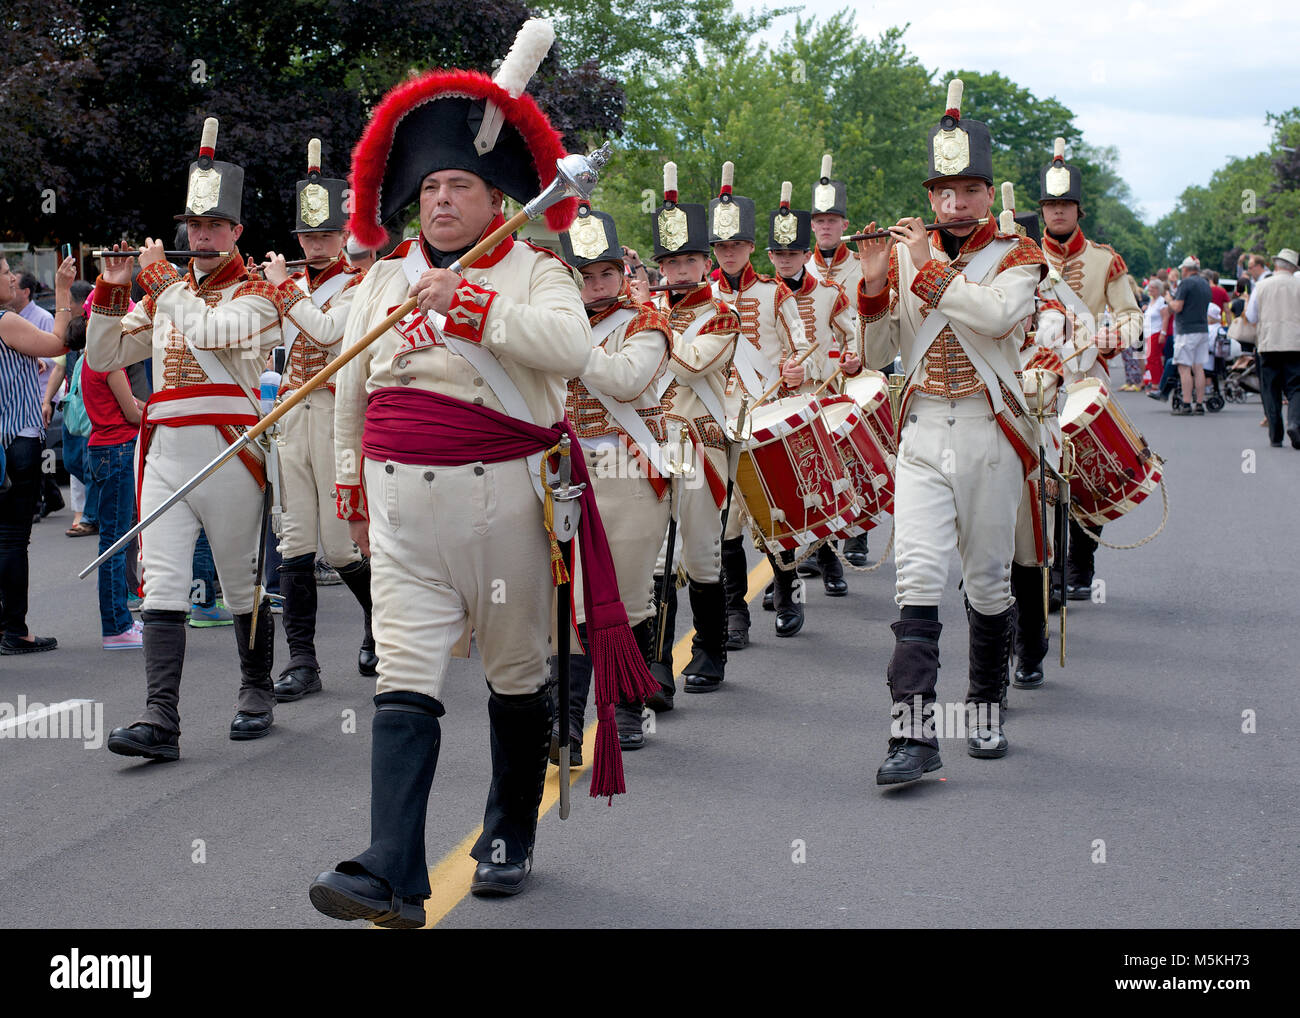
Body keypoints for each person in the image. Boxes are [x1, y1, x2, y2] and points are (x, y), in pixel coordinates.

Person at [311, 19, 651, 921]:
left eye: (459, 186)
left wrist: (469, 304)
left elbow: (571, 347)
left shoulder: (536, 271)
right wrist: (347, 483)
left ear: (499, 200)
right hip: (396, 506)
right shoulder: (383, 281)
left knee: (514, 673)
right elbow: (352, 388)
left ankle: (509, 827)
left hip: (504, 506)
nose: (440, 202)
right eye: (429, 189)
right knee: (405, 676)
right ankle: (391, 867)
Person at [856, 80, 1047, 781]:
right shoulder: (906, 255)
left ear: (988, 194)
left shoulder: (1021, 255)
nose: (956, 203)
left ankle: (987, 708)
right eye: (944, 190)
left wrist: (926, 271)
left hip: (990, 431)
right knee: (917, 573)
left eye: (969, 190)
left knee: (990, 582)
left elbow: (996, 318)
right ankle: (912, 735)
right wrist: (875, 282)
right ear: (930, 195)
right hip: (923, 430)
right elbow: (878, 358)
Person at [89, 118, 283, 759]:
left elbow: (212, 333)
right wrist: (112, 293)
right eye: (194, 228)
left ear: (235, 233)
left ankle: (256, 689)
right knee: (164, 579)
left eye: (213, 227)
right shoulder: (168, 293)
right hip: (167, 446)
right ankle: (160, 718)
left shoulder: (256, 293)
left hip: (229, 445)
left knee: (237, 581)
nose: (200, 237)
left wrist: (160, 283)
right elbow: (102, 355)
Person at [553, 200, 672, 753]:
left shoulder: (648, 321)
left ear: (623, 272)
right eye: (585, 275)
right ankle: (570, 720)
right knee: (574, 599)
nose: (597, 285)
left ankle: (627, 703)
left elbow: (626, 380)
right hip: (568, 470)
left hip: (629, 467)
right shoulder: (556, 323)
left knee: (626, 596)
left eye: (606, 273)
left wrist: (569, 347)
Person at [261, 139, 375, 703]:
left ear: (343, 238)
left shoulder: (358, 286)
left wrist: (281, 288)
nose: (315, 244)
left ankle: (380, 622)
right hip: (290, 416)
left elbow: (329, 334)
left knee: (339, 546)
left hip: (335, 414)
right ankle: (302, 662)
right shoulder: (293, 286)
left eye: (326, 235)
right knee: (294, 542)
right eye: (308, 236)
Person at [646, 163, 741, 699]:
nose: (679, 271)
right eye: (670, 262)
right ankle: (657, 667)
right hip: (648, 447)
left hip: (701, 446)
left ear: (705, 263)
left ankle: (710, 645)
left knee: (700, 555)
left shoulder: (722, 315)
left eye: (688, 261)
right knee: (655, 557)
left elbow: (687, 366)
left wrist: (648, 323)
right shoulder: (645, 311)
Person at [1036, 137, 1143, 601]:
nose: (1058, 211)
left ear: (1079, 209)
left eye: (1066, 204)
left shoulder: (1104, 259)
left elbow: (1133, 318)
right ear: (1041, 211)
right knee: (1042, 477)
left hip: (1086, 380)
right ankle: (1050, 569)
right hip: (1038, 382)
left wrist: (1113, 334)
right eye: (1050, 204)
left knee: (1086, 473)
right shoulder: (1021, 256)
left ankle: (1082, 561)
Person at [709, 161, 808, 648]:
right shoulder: (701, 296)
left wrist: (796, 369)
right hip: (717, 417)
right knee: (725, 519)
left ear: (751, 247)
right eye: (721, 246)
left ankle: (787, 590)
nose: (729, 253)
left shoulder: (773, 293)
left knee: (773, 514)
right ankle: (734, 615)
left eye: (737, 245)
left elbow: (804, 346)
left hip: (766, 412)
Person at [760, 181, 861, 623]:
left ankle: (830, 556)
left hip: (819, 397)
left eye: (793, 253)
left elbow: (853, 333)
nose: (786, 260)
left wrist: (854, 359)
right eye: (778, 254)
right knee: (775, 493)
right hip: (771, 403)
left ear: (806, 255)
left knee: (820, 486)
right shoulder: (761, 295)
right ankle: (784, 581)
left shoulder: (828, 293)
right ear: (770, 257)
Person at [0, 255, 75, 653]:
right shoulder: (5, 321)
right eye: (4, 271)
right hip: (17, 442)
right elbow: (59, 343)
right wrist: (63, 291)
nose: (12, 278)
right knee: (13, 540)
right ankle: (16, 631)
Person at [82, 337, 145, 650]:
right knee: (115, 543)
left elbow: (132, 406)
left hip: (105, 448)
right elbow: (132, 413)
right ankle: (117, 625)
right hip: (118, 448)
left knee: (113, 540)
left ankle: (119, 621)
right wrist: (161, 413)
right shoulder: (108, 361)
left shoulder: (91, 358)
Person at [1245, 248, 1300, 448]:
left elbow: (1251, 317)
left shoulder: (1261, 286)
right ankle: (1295, 422)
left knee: (1270, 388)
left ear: (1276, 265)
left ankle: (1275, 434)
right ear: (1293, 267)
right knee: (1295, 387)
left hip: (1268, 343)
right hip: (1295, 343)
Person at [1168, 255, 1212, 416]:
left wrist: (1169, 300)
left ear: (1186, 269)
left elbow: (1178, 307)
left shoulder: (1186, 283)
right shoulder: (1205, 283)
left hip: (1187, 329)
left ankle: (1186, 403)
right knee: (1199, 367)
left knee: (1184, 367)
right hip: (1202, 328)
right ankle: (1199, 403)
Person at [1143, 279, 1169, 391]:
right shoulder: (1151, 301)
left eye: (1152, 288)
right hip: (1149, 333)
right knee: (1151, 358)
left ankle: (1156, 383)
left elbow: (1165, 317)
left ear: (1158, 289)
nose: (1150, 290)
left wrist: (1163, 333)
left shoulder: (1161, 301)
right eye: (1149, 288)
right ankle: (1155, 380)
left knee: (1153, 358)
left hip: (1156, 332)